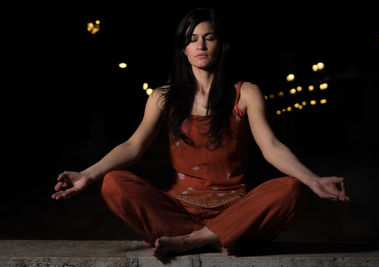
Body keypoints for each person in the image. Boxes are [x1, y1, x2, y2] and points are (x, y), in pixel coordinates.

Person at [52, 8, 349, 260]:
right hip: (179, 209)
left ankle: (191, 241)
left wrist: (313, 180)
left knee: (292, 190)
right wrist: (87, 175)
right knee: (114, 183)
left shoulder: (245, 93)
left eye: (209, 37)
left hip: (236, 208)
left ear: (222, 45)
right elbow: (133, 146)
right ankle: (213, 237)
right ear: (183, 48)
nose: (201, 45)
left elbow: (271, 146)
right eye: (192, 39)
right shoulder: (162, 97)